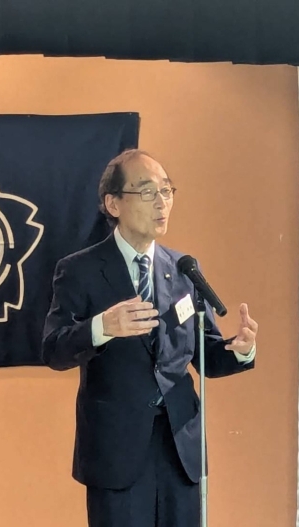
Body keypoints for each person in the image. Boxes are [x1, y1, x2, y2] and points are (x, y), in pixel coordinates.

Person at [41, 149, 258, 527]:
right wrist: (101, 327)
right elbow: (54, 349)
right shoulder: (80, 270)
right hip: (116, 451)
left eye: (167, 191)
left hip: (179, 446)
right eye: (147, 192)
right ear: (113, 204)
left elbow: (206, 355)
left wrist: (240, 350)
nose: (161, 202)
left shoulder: (184, 269)